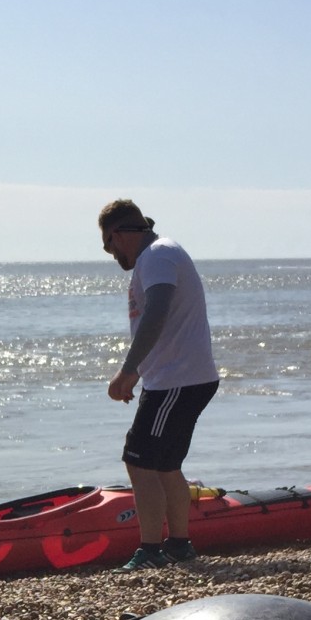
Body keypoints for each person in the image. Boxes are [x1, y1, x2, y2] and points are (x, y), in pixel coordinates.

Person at [98, 199, 220, 570]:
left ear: (118, 234)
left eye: (108, 245)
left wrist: (129, 369)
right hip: (178, 379)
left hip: (177, 381)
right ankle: (179, 544)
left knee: (139, 460)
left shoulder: (158, 254)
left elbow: (158, 309)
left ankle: (150, 550)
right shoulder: (159, 254)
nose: (110, 254)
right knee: (166, 464)